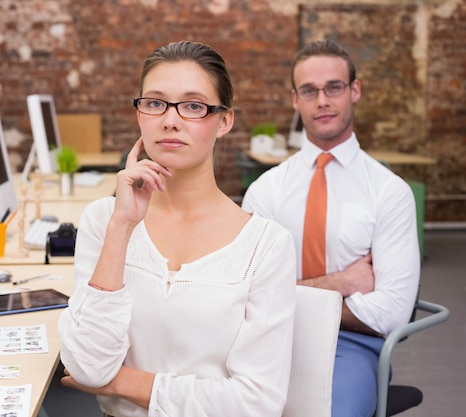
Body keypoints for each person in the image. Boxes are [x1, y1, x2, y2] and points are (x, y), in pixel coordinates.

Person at [58, 40, 296, 417]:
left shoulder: (266, 246)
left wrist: (123, 383)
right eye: (154, 103)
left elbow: (257, 404)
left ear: (224, 121)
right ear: (140, 115)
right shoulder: (105, 220)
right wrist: (122, 226)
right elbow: (88, 366)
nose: (170, 120)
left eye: (193, 106)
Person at [242, 39, 420, 417]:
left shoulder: (389, 192)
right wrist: (342, 283)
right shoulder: (265, 190)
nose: (322, 100)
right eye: (309, 90)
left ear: (354, 91)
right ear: (295, 99)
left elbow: (390, 314)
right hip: (269, 339)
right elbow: (247, 294)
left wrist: (287, 294)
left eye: (333, 87)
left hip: (351, 346)